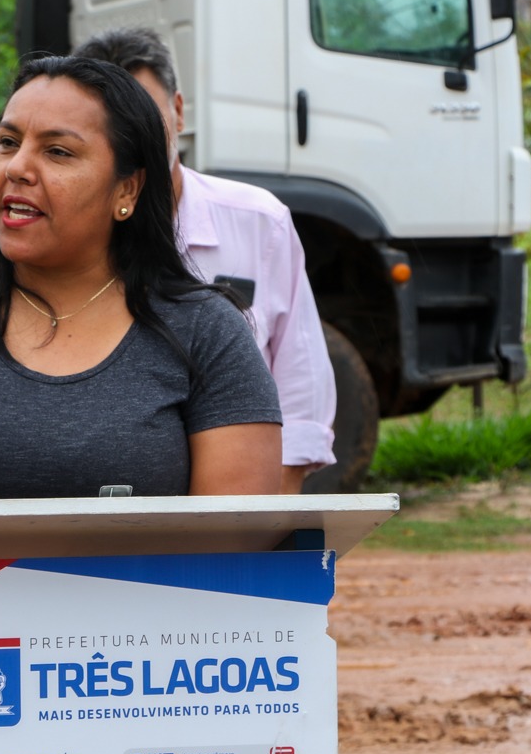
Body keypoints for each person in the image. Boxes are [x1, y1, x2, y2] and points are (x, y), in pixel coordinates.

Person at [0, 56, 282, 501]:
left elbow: (235, 537)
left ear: (127, 189)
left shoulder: (208, 332)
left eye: (58, 151)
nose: (17, 167)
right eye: (8, 142)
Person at [73, 27, 336, 494]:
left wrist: (258, 522)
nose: (134, 139)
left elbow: (300, 389)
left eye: (147, 116)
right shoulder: (68, 240)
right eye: (115, 125)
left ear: (178, 111)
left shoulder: (260, 223)